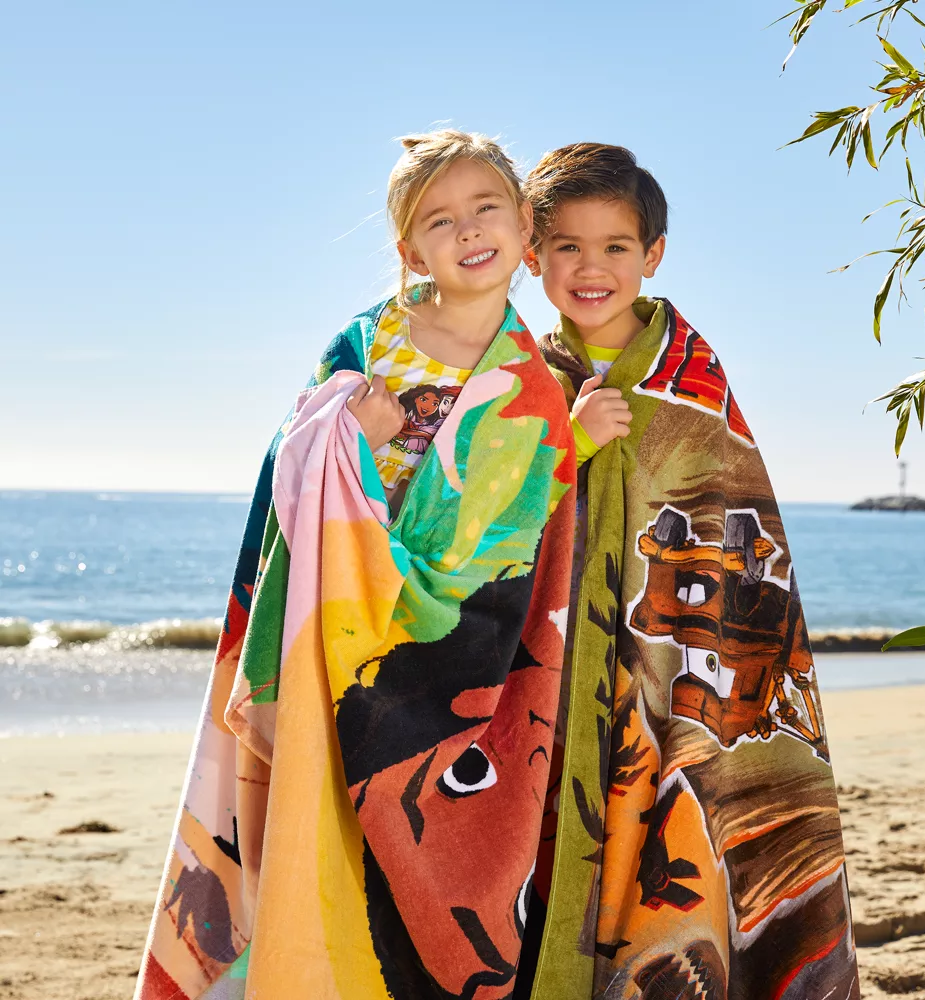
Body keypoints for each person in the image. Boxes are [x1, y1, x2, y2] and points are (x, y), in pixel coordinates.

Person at [134, 129, 576, 1000]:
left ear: (526, 225)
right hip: (322, 630)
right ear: (411, 252)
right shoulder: (368, 341)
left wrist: (367, 493)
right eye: (438, 220)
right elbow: (286, 477)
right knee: (304, 828)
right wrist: (350, 439)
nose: (467, 229)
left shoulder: (534, 393)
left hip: (436, 663)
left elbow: (506, 560)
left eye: (486, 206)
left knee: (413, 856)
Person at [517, 143, 860, 999]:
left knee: (677, 844)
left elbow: (732, 522)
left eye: (615, 246)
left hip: (679, 668)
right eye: (567, 247)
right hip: (561, 661)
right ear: (532, 255)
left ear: (654, 254)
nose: (591, 268)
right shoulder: (522, 375)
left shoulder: (691, 375)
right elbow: (498, 512)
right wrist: (566, 442)